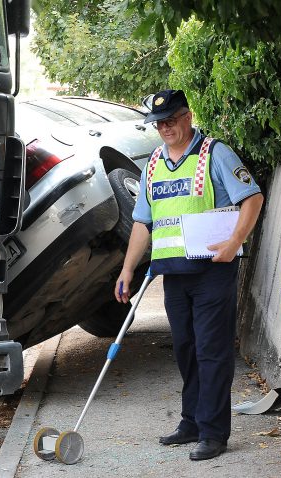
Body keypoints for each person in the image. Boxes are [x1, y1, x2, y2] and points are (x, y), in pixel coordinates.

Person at [115, 89, 264, 461]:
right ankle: (192, 422)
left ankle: (214, 433)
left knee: (211, 351)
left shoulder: (215, 153)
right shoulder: (153, 163)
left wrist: (234, 242)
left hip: (212, 271)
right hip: (173, 274)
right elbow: (142, 222)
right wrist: (127, 269)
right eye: (158, 123)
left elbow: (252, 197)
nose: (164, 128)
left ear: (187, 116)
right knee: (186, 350)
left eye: (170, 120)